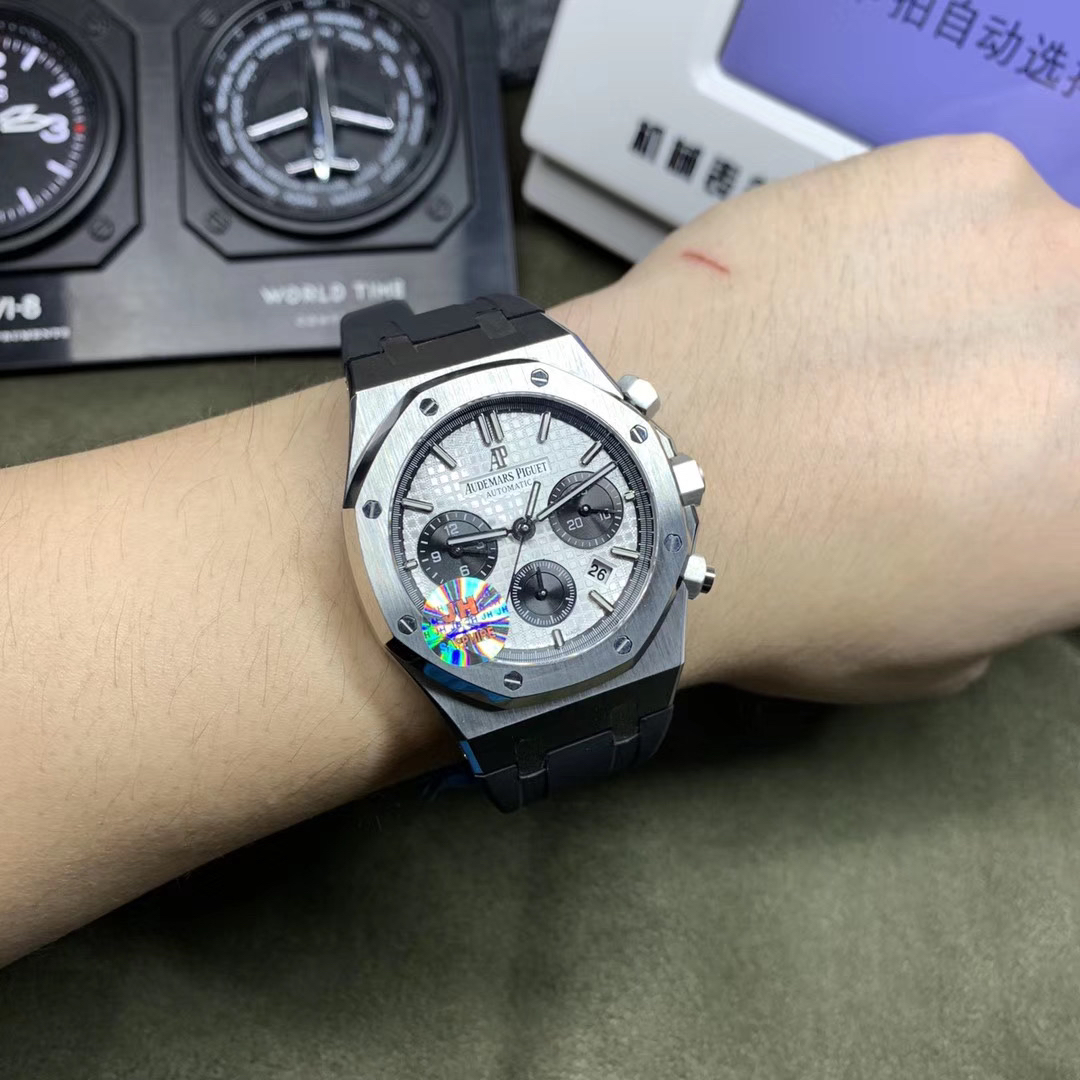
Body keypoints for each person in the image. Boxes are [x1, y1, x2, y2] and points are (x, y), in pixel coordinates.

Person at [1, 133, 1078, 968]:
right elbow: (434, 595)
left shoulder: (634, 513)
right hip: (469, 639)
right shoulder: (428, 578)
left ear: (667, 479)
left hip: (532, 621)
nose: (522, 533)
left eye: (571, 511)